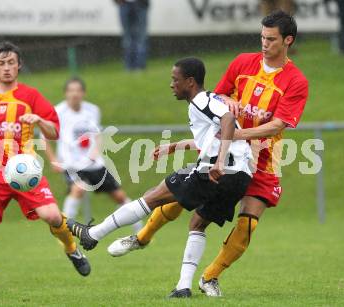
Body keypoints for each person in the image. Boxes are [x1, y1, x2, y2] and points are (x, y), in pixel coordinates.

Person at [107, 10, 309, 297]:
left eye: (271, 39)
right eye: (262, 37)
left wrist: (238, 133)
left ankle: (209, 277)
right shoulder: (242, 62)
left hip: (263, 160)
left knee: (248, 222)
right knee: (181, 196)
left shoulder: (296, 81)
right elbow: (215, 96)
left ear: (288, 40)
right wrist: (228, 103)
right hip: (224, 152)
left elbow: (277, 124)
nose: (264, 44)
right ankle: (140, 238)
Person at [67, 57, 253, 298]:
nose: (171, 85)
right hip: (240, 177)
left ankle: (93, 234)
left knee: (152, 197)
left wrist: (219, 160)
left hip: (217, 170)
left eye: (175, 80)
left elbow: (227, 120)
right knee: (197, 224)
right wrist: (176, 146)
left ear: (190, 81)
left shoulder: (201, 100)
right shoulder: (206, 102)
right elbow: (214, 135)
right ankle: (183, 288)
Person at [0, 41, 90, 288]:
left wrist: (38, 119)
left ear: (19, 66)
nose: (7, 68)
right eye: (1, 63)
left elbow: (53, 132)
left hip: (26, 171)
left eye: (11, 63)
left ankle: (71, 249)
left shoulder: (31, 96)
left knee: (51, 216)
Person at [44, 76, 143, 232]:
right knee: (78, 188)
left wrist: (95, 151)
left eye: (77, 90)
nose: (74, 94)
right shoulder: (57, 112)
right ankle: (63, 231)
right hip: (72, 164)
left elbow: (97, 135)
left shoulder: (92, 110)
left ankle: (141, 231)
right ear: (65, 93)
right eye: (71, 90)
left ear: (83, 93)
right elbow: (44, 137)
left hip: (94, 163)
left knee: (119, 196)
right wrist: (53, 160)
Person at [114, 0, 149, 71]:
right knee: (128, 38)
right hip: (124, 4)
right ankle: (129, 66)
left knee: (140, 37)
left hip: (140, 4)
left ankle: (140, 66)